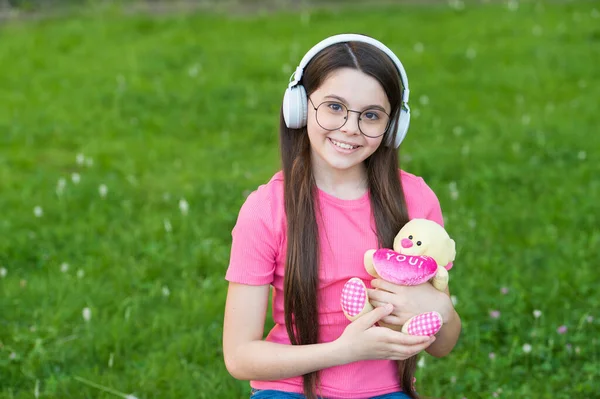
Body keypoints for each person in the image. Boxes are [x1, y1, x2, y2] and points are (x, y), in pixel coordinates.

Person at [223, 33, 461, 399]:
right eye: (334, 107)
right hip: (290, 390)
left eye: (370, 115)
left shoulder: (415, 199)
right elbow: (240, 357)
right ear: (300, 107)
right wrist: (345, 351)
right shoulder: (265, 210)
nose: (350, 127)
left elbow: (442, 345)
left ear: (392, 127)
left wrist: (441, 308)